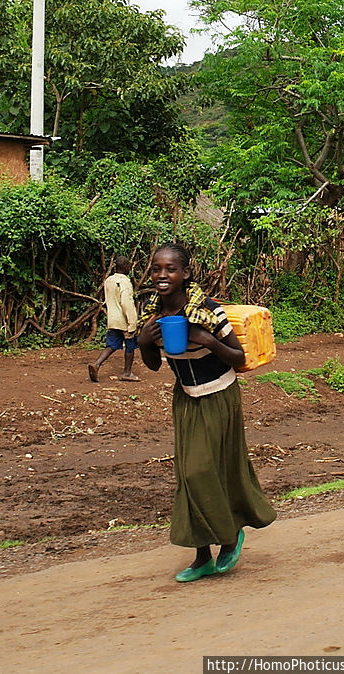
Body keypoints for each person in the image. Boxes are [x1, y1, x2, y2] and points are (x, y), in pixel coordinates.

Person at [136, 243, 276, 582]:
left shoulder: (209, 311)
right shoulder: (151, 316)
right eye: (156, 269)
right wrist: (143, 341)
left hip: (219, 396)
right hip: (186, 398)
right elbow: (154, 364)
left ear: (185, 274)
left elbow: (239, 357)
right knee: (187, 474)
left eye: (170, 269)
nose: (162, 275)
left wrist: (207, 340)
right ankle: (202, 557)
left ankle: (230, 537)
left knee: (206, 470)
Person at [89, 255, 140, 383]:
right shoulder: (124, 282)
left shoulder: (109, 281)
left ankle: (97, 364)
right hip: (124, 320)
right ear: (125, 267)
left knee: (111, 345)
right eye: (128, 266)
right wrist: (132, 322)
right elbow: (126, 303)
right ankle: (127, 373)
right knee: (130, 345)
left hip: (112, 318)